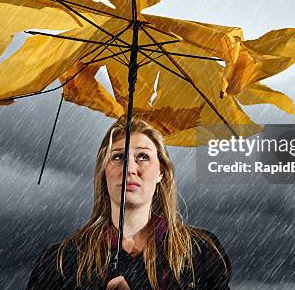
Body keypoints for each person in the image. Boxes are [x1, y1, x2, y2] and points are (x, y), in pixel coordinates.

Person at [26, 115, 231, 289]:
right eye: (118, 157)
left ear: (161, 171)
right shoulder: (61, 262)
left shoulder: (201, 253)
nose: (129, 168)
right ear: (103, 172)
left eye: (143, 156)